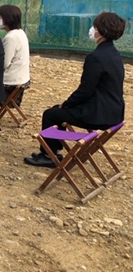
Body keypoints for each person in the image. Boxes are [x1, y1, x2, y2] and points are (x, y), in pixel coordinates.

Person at [25, 12, 126, 168]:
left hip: (98, 114)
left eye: (95, 26)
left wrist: (66, 104)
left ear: (101, 31)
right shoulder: (115, 54)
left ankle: (49, 155)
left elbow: (85, 90)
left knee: (51, 114)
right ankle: (54, 151)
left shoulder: (96, 57)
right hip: (115, 112)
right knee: (57, 112)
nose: (93, 29)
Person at [0, 4, 30, 105]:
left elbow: (4, 63)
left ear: (7, 19)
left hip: (9, 82)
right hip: (21, 79)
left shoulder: (10, 38)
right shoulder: (20, 33)